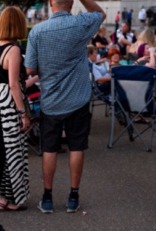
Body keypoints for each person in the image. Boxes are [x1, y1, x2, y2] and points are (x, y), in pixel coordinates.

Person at [24, 0, 105, 214]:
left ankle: (48, 197)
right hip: (77, 99)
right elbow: (100, 13)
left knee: (49, 148)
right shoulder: (81, 24)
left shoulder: (38, 32)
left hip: (51, 100)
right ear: (71, 3)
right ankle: (73, 196)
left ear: (51, 3)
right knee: (77, 147)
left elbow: (30, 68)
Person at [0, 6, 30, 211]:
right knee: (12, 149)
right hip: (10, 105)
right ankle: (8, 198)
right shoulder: (14, 50)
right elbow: (14, 84)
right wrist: (23, 113)